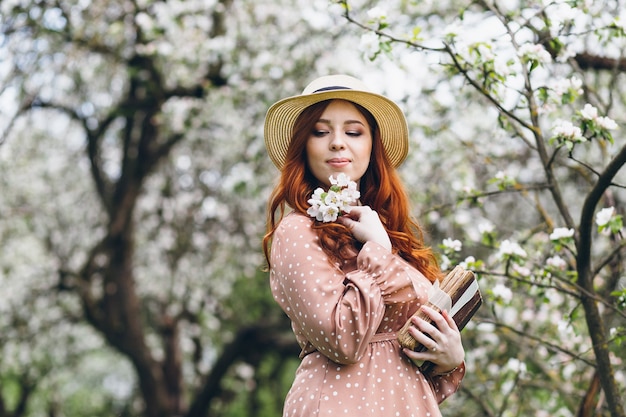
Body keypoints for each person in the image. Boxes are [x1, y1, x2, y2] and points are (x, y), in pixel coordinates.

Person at [262, 74, 465, 417]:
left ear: (372, 146)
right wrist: (378, 253)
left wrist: (449, 359)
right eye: (321, 131)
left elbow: (402, 365)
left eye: (354, 132)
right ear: (303, 146)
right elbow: (341, 339)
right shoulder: (296, 231)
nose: (338, 143)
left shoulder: (384, 233)